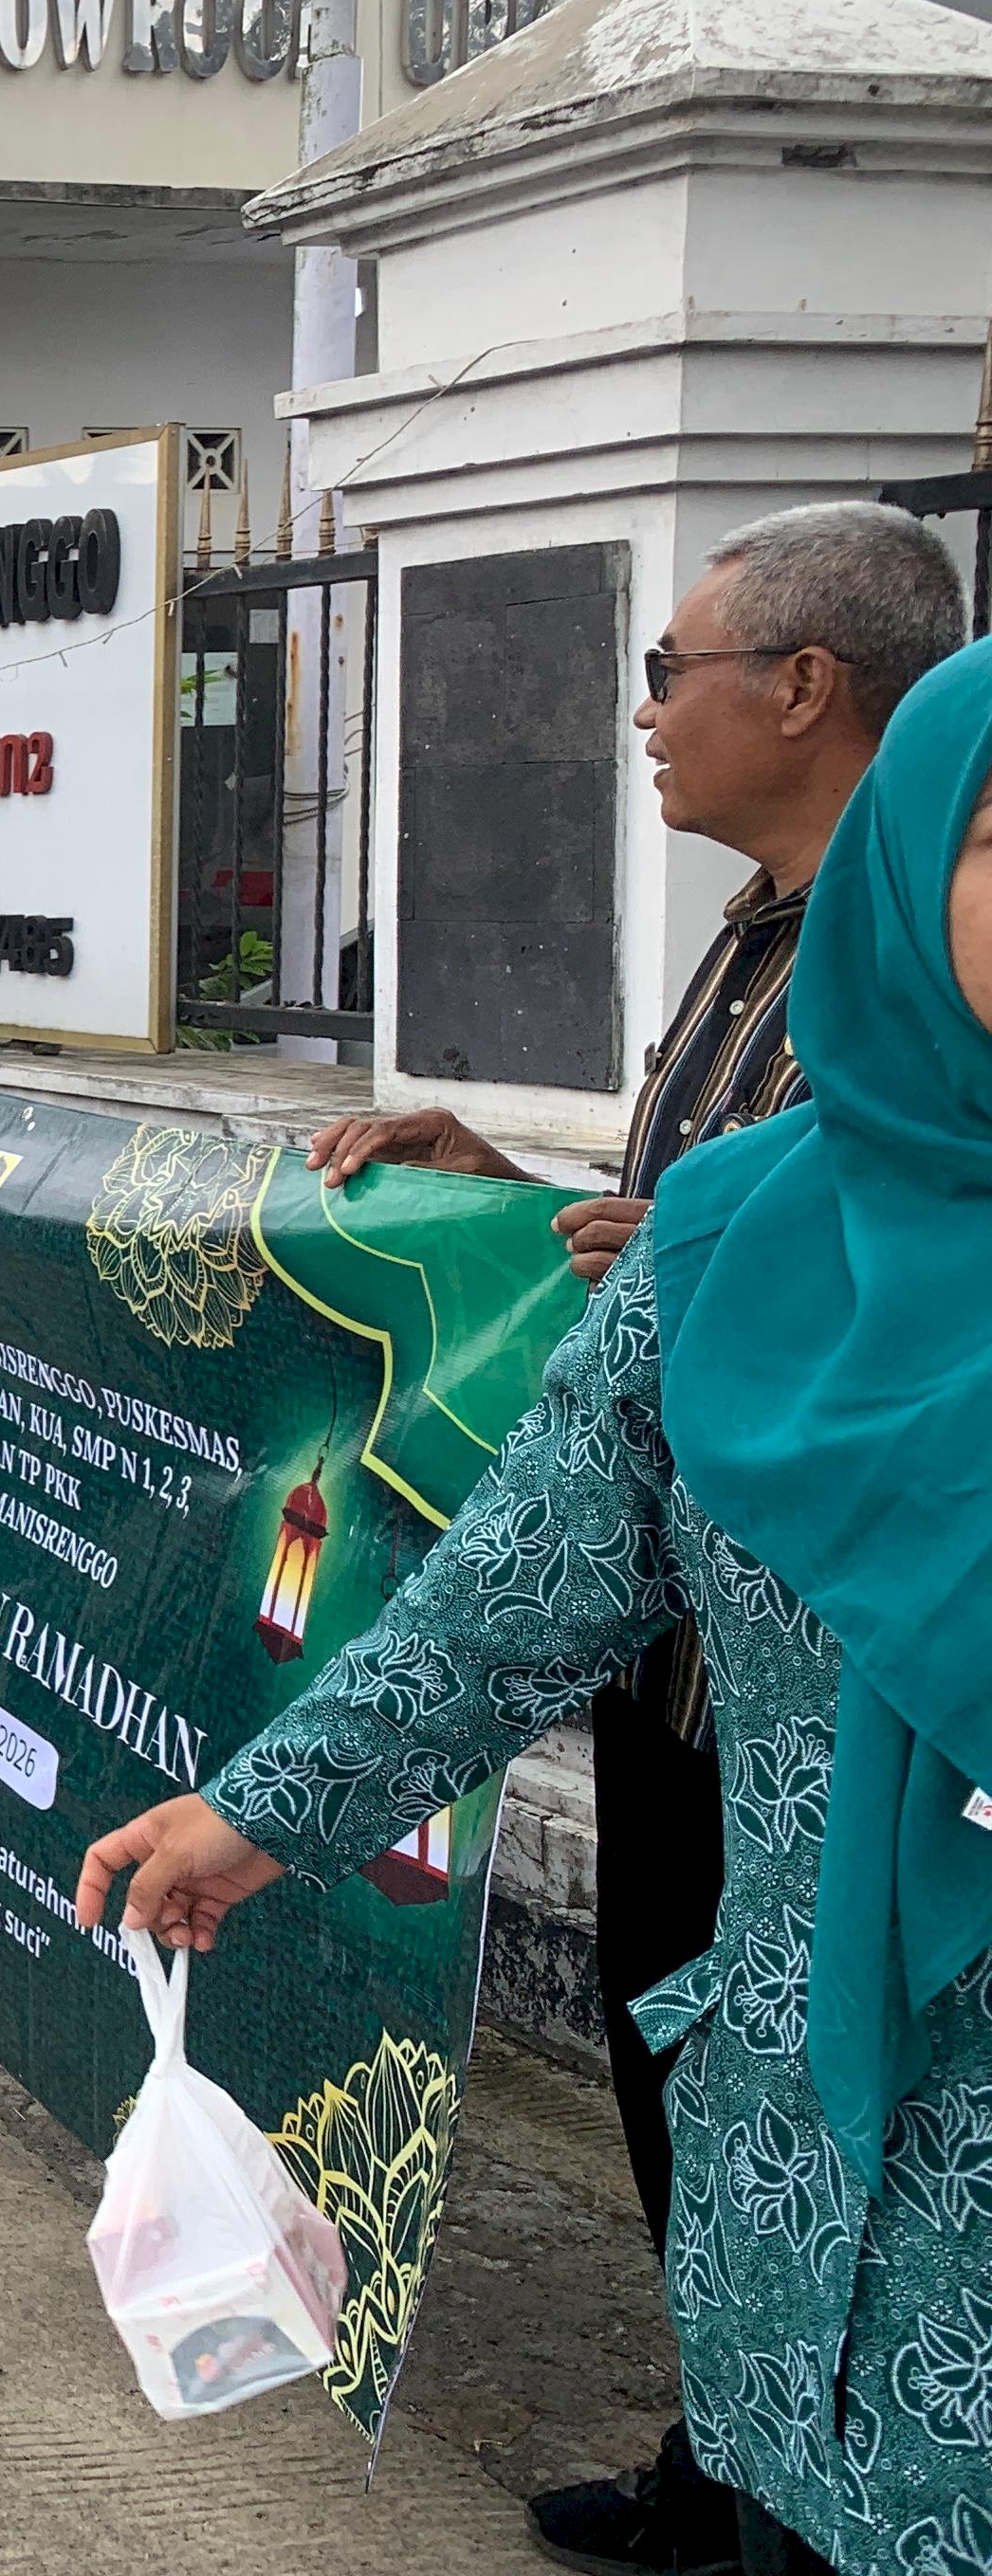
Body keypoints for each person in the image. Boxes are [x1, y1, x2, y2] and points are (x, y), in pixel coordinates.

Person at [80, 633, 992, 2576]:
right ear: (918, 875)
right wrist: (256, 1819)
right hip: (830, 2200)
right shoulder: (736, 1246)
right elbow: (510, 1602)